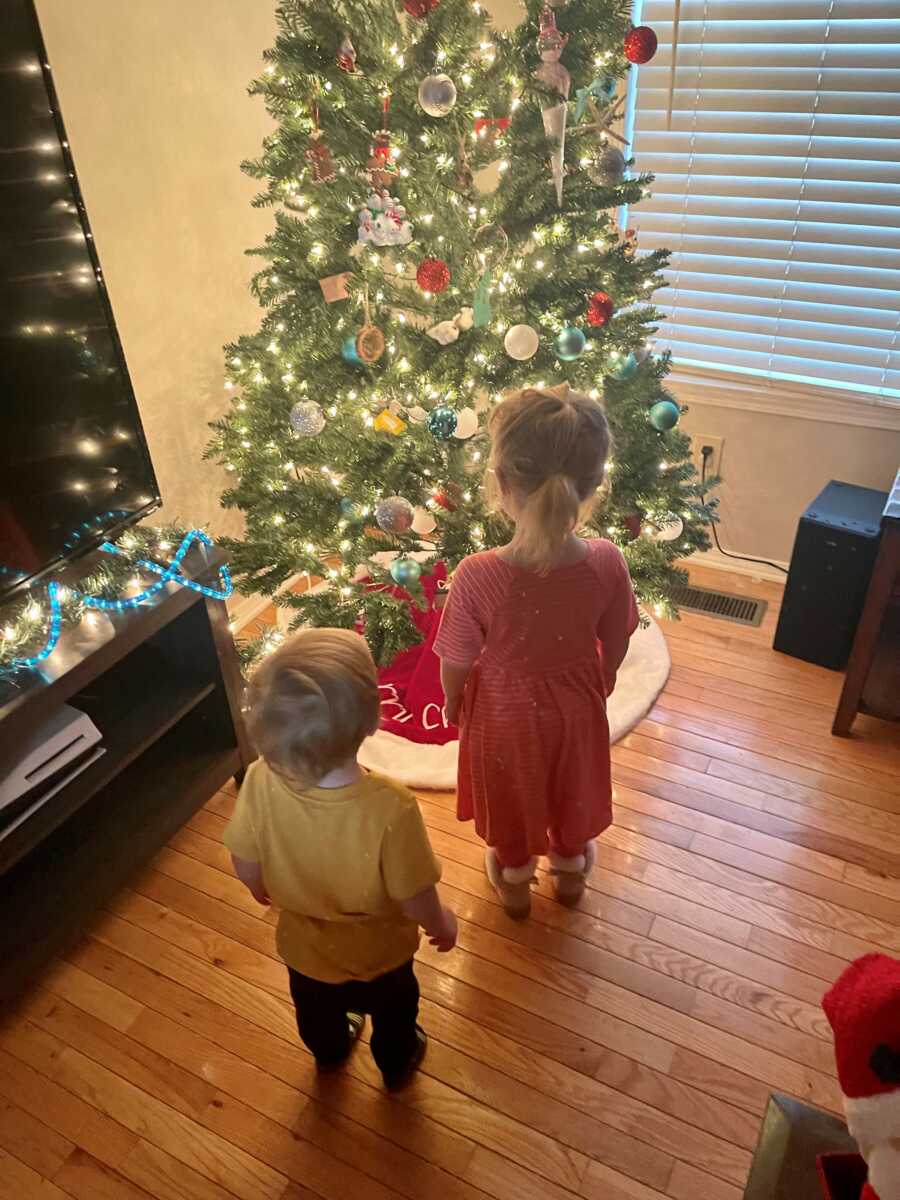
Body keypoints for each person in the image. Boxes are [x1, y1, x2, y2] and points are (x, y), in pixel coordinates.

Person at [434, 384, 639, 918]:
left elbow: (455, 658)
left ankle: (516, 882)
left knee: (510, 790)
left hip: (502, 713)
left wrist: (455, 704)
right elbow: (619, 634)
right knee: (571, 786)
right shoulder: (607, 561)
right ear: (593, 486)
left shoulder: (478, 574)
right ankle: (570, 873)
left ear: (501, 482)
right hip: (576, 705)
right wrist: (605, 675)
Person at [224, 627, 457, 1088]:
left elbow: (244, 859)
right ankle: (395, 1061)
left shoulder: (258, 778)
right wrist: (441, 922)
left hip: (305, 951)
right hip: (383, 956)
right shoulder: (391, 807)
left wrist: (257, 888)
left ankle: (329, 1051)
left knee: (315, 1011)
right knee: (396, 1015)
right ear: (374, 722)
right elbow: (414, 895)